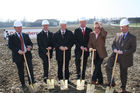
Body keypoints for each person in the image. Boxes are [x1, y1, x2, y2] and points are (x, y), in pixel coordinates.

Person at [105, 19, 136, 93]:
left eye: (124, 27)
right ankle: (111, 82)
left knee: (123, 73)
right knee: (107, 66)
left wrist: (122, 52)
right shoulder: (117, 35)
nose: (122, 29)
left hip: (125, 57)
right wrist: (114, 49)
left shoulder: (132, 37)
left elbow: (133, 49)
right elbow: (113, 44)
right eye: (121, 27)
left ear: (128, 27)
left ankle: (123, 88)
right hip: (115, 55)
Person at [8, 21, 35, 89]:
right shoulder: (11, 37)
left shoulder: (25, 35)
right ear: (14, 28)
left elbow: (31, 43)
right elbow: (10, 46)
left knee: (30, 69)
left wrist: (30, 47)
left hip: (27, 55)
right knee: (20, 70)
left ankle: (31, 82)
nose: (19, 28)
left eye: (20, 27)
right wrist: (18, 50)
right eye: (18, 27)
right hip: (18, 56)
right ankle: (23, 83)